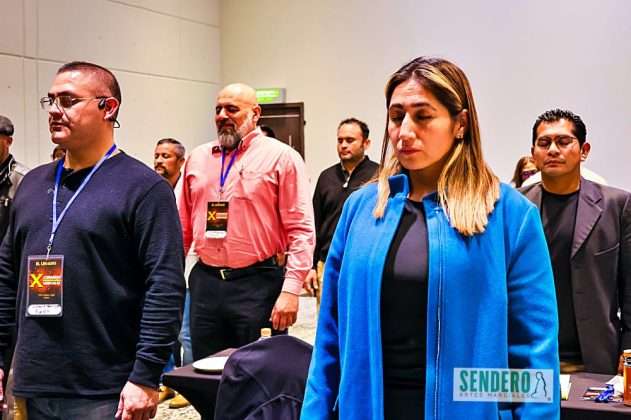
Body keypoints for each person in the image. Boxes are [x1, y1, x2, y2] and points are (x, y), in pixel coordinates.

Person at [301, 56, 559, 419]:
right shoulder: (361, 210)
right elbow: (329, 339)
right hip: (367, 407)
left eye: (423, 116)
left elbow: (533, 353)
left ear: (460, 124)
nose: (405, 131)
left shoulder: (508, 215)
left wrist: (483, 400)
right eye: (396, 117)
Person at [0, 61, 185, 420]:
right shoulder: (34, 184)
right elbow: (7, 277)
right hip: (32, 381)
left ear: (108, 107)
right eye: (51, 100)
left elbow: (164, 286)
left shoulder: (144, 189)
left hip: (106, 388)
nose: (55, 110)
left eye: (68, 100)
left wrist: (146, 375)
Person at [179, 83, 315, 361]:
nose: (222, 116)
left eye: (231, 109)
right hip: (206, 283)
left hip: (258, 284)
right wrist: (169, 279)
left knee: (259, 371)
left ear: (255, 113)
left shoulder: (282, 157)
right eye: (218, 109)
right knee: (205, 370)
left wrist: (291, 290)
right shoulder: (198, 158)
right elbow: (182, 226)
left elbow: (301, 229)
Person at [521, 108, 631, 374]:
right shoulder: (515, 206)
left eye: (563, 141)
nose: (553, 150)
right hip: (529, 358)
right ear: (533, 153)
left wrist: (628, 351)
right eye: (544, 143)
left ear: (584, 150)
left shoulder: (617, 206)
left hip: (597, 359)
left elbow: (629, 288)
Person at [304, 118, 378, 309]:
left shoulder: (379, 176)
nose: (343, 145)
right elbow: (314, 223)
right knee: (328, 317)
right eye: (340, 140)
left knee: (359, 315)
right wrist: (310, 266)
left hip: (364, 262)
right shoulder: (326, 177)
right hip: (327, 263)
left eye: (350, 140)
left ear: (366, 143)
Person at [152, 138, 191, 409]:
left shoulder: (187, 190)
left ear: (181, 161)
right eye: (157, 155)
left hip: (187, 268)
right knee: (161, 326)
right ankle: (165, 380)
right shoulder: (152, 189)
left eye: (165, 156)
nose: (158, 161)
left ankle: (187, 385)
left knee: (186, 333)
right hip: (159, 270)